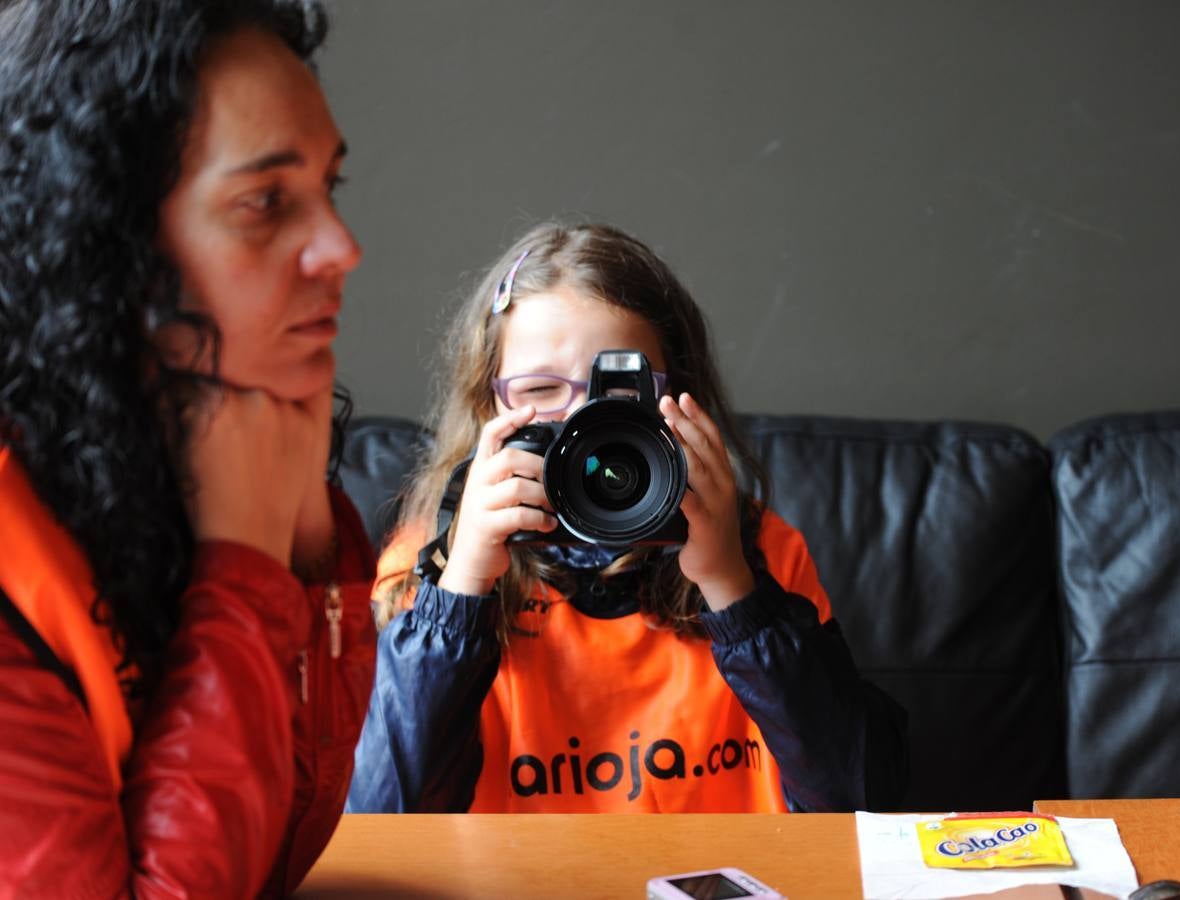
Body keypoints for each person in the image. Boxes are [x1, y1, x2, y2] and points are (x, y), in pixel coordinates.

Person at [0, 0, 375, 895]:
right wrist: (245, 570)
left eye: (329, 189)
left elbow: (281, 844)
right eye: (264, 203)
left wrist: (306, 533)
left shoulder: (176, 454)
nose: (342, 248)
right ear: (102, 240)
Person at [346, 222, 908, 814]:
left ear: (681, 402)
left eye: (619, 392)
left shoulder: (760, 550)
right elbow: (381, 824)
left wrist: (732, 587)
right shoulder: (429, 569)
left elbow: (860, 803)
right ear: (490, 407)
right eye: (540, 389)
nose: (583, 425)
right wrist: (460, 593)